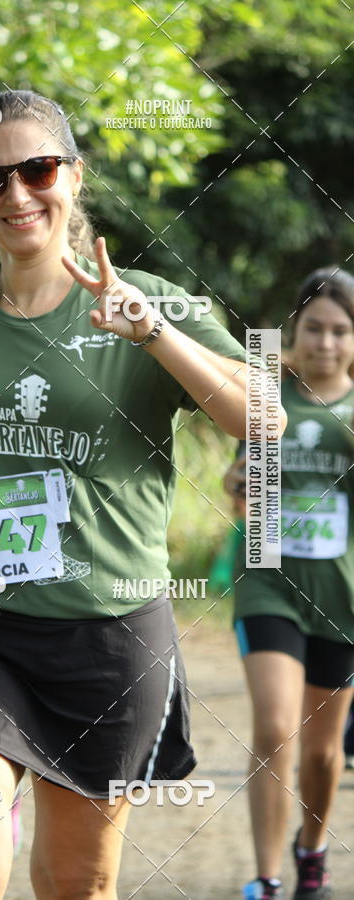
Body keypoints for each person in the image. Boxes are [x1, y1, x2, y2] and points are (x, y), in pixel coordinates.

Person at [0, 89, 274, 900]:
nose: (16, 194)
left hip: (106, 634)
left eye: (38, 170)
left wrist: (150, 331)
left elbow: (263, 418)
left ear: (75, 176)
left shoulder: (152, 299)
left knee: (75, 883)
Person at [225, 269, 354, 900]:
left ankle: (312, 850)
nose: (325, 342)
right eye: (314, 328)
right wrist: (237, 485)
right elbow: (239, 490)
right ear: (293, 331)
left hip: (343, 597)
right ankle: (267, 880)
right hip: (268, 581)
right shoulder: (264, 399)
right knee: (276, 726)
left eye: (340, 331)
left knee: (324, 755)